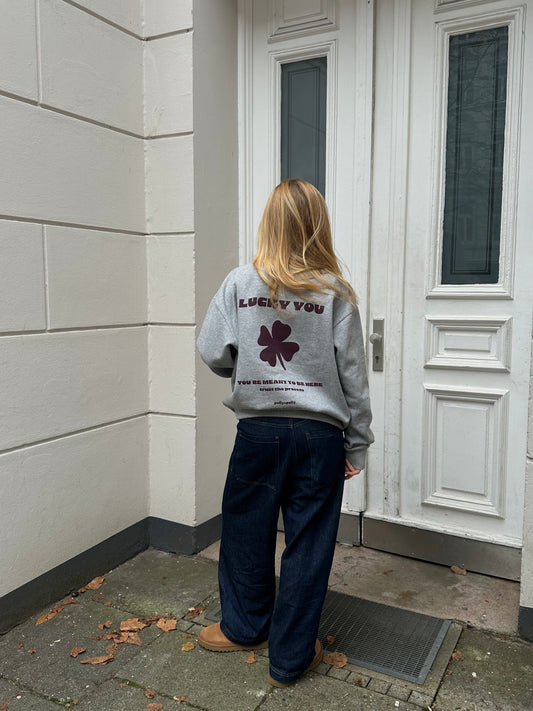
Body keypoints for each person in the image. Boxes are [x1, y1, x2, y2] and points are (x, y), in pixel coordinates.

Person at [196, 178, 374, 687]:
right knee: (309, 543)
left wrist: (243, 364)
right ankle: (291, 656)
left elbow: (213, 350)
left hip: (259, 432)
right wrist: (357, 442)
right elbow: (353, 378)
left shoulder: (239, 283)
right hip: (320, 438)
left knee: (245, 531)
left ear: (268, 223)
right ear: (318, 225)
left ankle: (245, 626)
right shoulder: (335, 292)